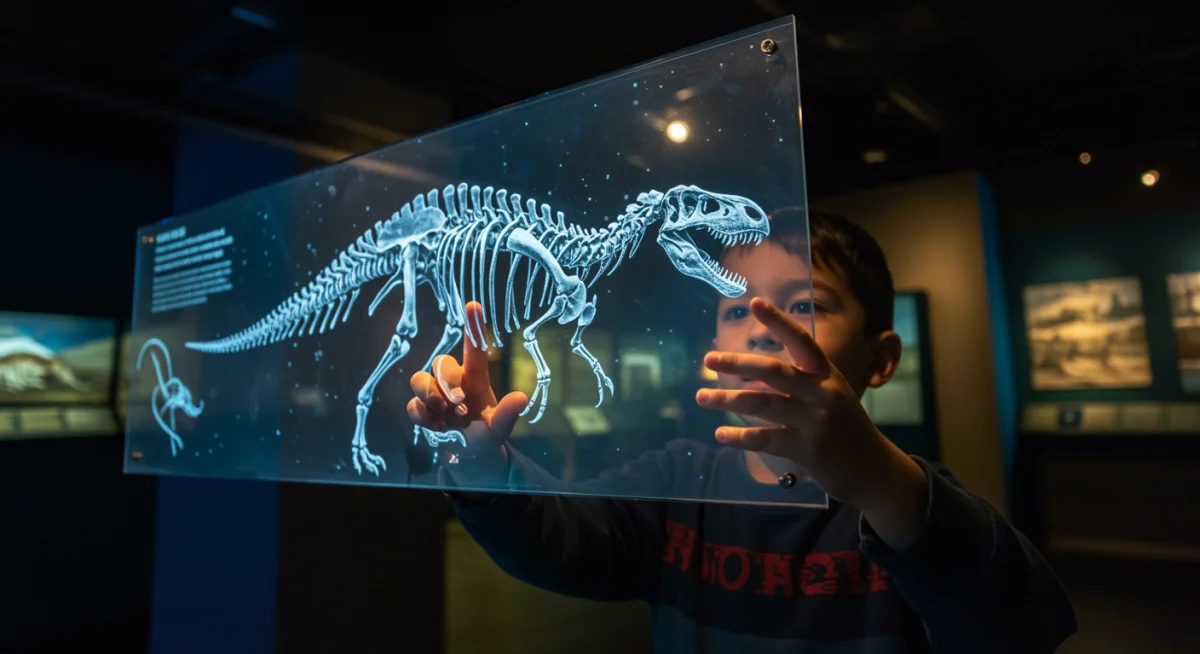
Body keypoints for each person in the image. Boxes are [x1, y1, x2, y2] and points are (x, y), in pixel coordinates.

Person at [406, 209, 1077, 652]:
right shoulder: (678, 477)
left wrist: (878, 478)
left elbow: (1023, 625)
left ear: (881, 359)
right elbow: (563, 541)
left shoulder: (909, 506)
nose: (760, 323)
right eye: (735, 309)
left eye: (805, 304)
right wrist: (484, 464)